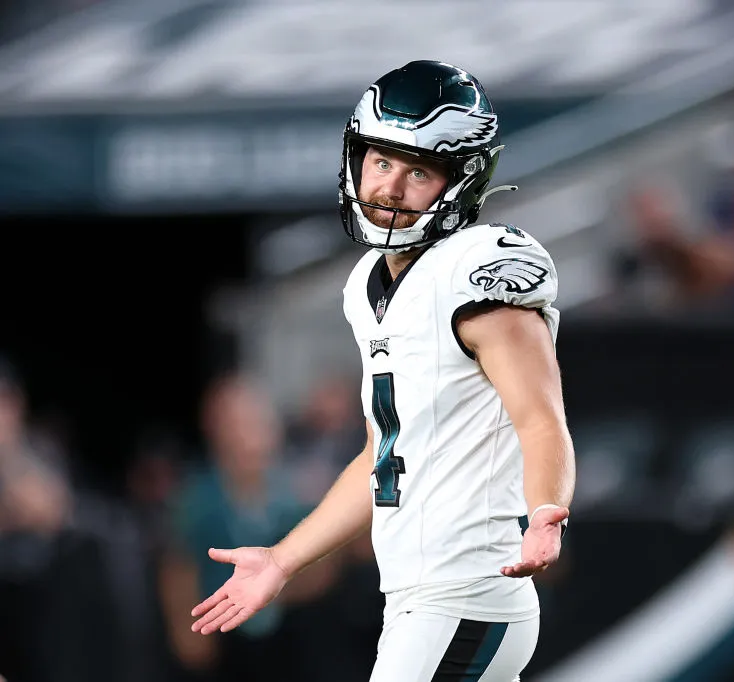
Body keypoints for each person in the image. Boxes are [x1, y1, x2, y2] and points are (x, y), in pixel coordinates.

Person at [189, 60, 576, 681]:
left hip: (467, 594)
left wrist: (546, 509)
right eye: (381, 161)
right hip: (416, 601)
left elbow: (541, 419)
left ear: (461, 182)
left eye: (418, 170)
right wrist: (284, 560)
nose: (390, 187)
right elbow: (383, 456)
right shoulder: (366, 286)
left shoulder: (476, 275)